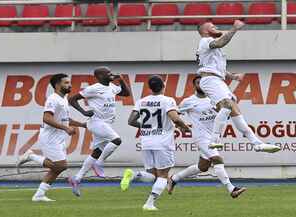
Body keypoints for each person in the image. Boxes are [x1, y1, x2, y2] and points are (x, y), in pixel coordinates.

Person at [196, 20, 280, 153]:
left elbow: (214, 66)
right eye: (213, 26)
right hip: (210, 80)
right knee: (227, 105)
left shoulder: (211, 48)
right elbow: (220, 42)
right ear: (205, 31)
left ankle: (256, 143)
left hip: (216, 79)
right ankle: (214, 140)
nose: (216, 27)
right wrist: (234, 28)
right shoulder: (205, 41)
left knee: (235, 111)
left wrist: (232, 76)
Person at [167, 75, 246, 198]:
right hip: (201, 137)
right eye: (198, 83)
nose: (201, 85)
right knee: (217, 160)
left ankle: (174, 179)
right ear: (194, 85)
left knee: (202, 167)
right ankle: (232, 189)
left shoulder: (214, 99)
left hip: (214, 137)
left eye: (203, 82)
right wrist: (179, 125)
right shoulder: (189, 101)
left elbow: (226, 112)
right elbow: (174, 114)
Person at [122, 75, 190, 211]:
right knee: (163, 176)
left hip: (146, 142)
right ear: (163, 86)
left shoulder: (142, 101)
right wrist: (184, 126)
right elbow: (175, 118)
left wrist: (148, 127)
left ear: (150, 88)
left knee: (154, 176)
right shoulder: (167, 100)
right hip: (163, 142)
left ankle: (134, 175)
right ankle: (149, 204)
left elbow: (131, 121)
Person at [17, 73, 86, 202]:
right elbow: (46, 118)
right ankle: (31, 156)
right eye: (66, 83)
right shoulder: (53, 99)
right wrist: (66, 128)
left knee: (57, 169)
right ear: (57, 85)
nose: (69, 85)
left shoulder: (63, 99)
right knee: (61, 166)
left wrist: (82, 124)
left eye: (69, 82)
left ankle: (39, 195)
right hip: (50, 138)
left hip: (59, 138)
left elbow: (65, 119)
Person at [68, 66, 130, 197]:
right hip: (96, 122)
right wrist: (83, 112)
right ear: (100, 76)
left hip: (105, 124)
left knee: (96, 152)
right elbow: (71, 99)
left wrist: (122, 80)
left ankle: (77, 178)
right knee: (117, 140)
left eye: (111, 72)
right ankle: (100, 163)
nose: (111, 74)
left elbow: (126, 93)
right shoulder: (93, 88)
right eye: (108, 73)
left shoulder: (112, 86)